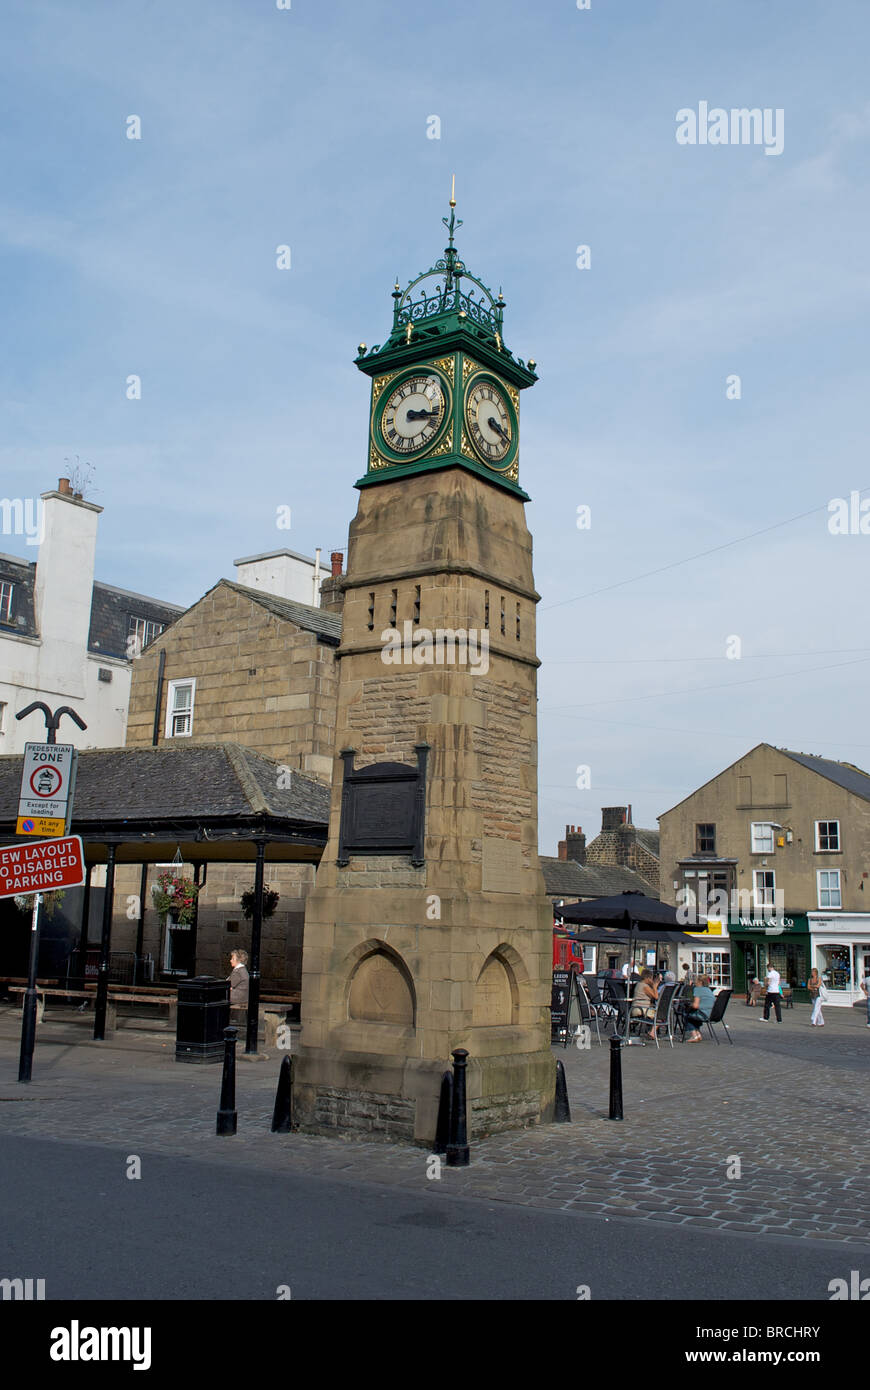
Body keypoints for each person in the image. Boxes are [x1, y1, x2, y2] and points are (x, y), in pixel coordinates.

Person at [684, 974, 716, 1043]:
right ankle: (698, 1034)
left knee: (686, 1013)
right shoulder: (708, 990)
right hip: (712, 1014)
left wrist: (690, 1004)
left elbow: (695, 1005)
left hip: (703, 1014)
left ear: (700, 982)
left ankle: (694, 1035)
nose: (695, 982)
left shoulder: (698, 989)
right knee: (693, 1014)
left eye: (696, 981)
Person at [630, 968, 659, 1041]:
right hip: (641, 1009)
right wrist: (654, 986)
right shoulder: (645, 986)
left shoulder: (639, 984)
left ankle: (650, 1031)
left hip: (636, 1008)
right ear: (648, 978)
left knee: (654, 1012)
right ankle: (652, 1033)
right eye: (651, 978)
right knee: (660, 1015)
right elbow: (656, 997)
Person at [227, 948, 250, 1032]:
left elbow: (229, 984)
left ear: (238, 960)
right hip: (242, 996)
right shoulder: (242, 970)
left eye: (232, 959)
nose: (230, 960)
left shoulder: (238, 971)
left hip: (237, 997)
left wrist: (229, 987)